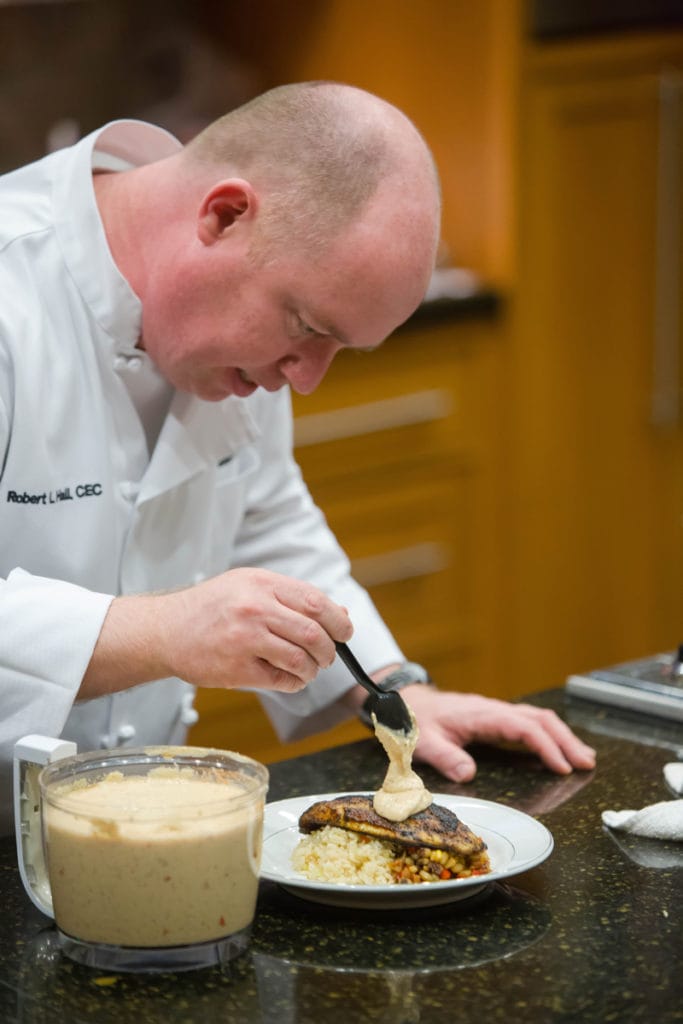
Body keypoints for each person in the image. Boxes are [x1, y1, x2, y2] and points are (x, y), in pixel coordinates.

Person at [0, 82, 594, 832]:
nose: (306, 379)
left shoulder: (242, 328)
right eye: (308, 327)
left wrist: (391, 691)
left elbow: (264, 517)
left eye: (338, 346)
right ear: (222, 215)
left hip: (120, 833)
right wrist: (165, 633)